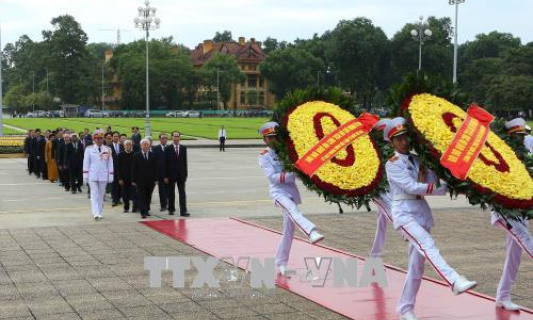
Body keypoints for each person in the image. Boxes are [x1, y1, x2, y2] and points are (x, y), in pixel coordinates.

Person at [384, 117, 477, 320]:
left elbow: (432, 180)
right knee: (427, 245)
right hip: (404, 213)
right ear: (391, 142)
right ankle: (454, 280)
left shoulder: (418, 160)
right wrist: (441, 190)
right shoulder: (392, 164)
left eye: (405, 137)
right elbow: (411, 187)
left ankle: (405, 309)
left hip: (421, 213)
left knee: (416, 266)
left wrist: (438, 169)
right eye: (398, 139)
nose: (403, 142)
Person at [258, 121, 324, 277]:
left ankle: (281, 263)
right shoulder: (264, 157)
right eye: (270, 137)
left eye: (275, 137)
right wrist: (294, 174)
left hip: (291, 192)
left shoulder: (287, 152)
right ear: (265, 140)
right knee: (293, 210)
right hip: (278, 193)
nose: (273, 140)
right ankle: (311, 232)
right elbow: (273, 177)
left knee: (288, 230)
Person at [489, 118, 533, 311]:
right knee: (527, 240)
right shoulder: (499, 157)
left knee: (514, 255)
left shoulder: (525, 157)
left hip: (520, 212)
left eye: (522, 136)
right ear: (508, 138)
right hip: (504, 211)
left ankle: (502, 296)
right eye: (516, 136)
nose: (520, 140)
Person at [369, 119, 393, 258]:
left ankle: (374, 257)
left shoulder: (392, 149)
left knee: (381, 222)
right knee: (390, 209)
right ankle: (404, 229)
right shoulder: (372, 149)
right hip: (376, 188)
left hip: (386, 187)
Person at [83, 130, 114, 220]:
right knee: (94, 193)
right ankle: (95, 212)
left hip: (103, 175)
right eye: (97, 138)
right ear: (94, 139)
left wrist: (111, 175)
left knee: (101, 194)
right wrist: (85, 176)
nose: (98, 140)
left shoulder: (107, 149)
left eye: (100, 138)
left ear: (103, 139)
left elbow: (110, 163)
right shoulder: (89, 149)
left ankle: (99, 212)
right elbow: (86, 163)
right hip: (92, 174)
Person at [164, 131, 189, 216]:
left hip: (181, 175)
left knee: (182, 193)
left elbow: (184, 162)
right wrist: (166, 176)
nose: (176, 138)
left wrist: (185, 174)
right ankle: (171, 209)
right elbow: (165, 163)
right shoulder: (168, 149)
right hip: (171, 175)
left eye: (178, 136)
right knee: (171, 193)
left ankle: (183, 211)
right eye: (175, 136)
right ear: (172, 137)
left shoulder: (183, 148)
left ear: (179, 138)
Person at [132, 139, 158, 218]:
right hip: (140, 180)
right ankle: (143, 212)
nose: (145, 146)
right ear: (141, 146)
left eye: (147, 144)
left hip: (150, 180)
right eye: (144, 144)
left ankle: (146, 209)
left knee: (148, 196)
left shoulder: (153, 155)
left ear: (149, 146)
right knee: (142, 196)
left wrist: (156, 179)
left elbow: (155, 168)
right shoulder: (136, 155)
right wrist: (133, 180)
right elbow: (134, 169)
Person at [117, 140, 138, 213]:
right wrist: (119, 178)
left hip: (133, 179)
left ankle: (135, 207)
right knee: (124, 195)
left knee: (135, 194)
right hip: (124, 178)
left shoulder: (135, 154)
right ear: (124, 146)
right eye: (127, 145)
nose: (128, 146)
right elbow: (118, 168)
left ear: (132, 146)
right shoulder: (120, 155)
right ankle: (126, 207)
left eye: (130, 145)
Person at [152, 133, 169, 211]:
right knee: (162, 191)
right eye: (162, 138)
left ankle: (169, 204)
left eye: (166, 138)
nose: (164, 139)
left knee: (169, 191)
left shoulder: (170, 149)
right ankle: (163, 205)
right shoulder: (155, 149)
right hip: (160, 175)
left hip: (169, 175)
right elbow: (154, 163)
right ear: (160, 139)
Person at [110, 131, 124, 206]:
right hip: (112, 168)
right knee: (114, 184)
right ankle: (114, 199)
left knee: (120, 184)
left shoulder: (122, 146)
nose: (116, 137)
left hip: (121, 168)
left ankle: (118, 198)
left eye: (117, 136)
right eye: (114, 136)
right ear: (112, 137)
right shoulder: (109, 147)